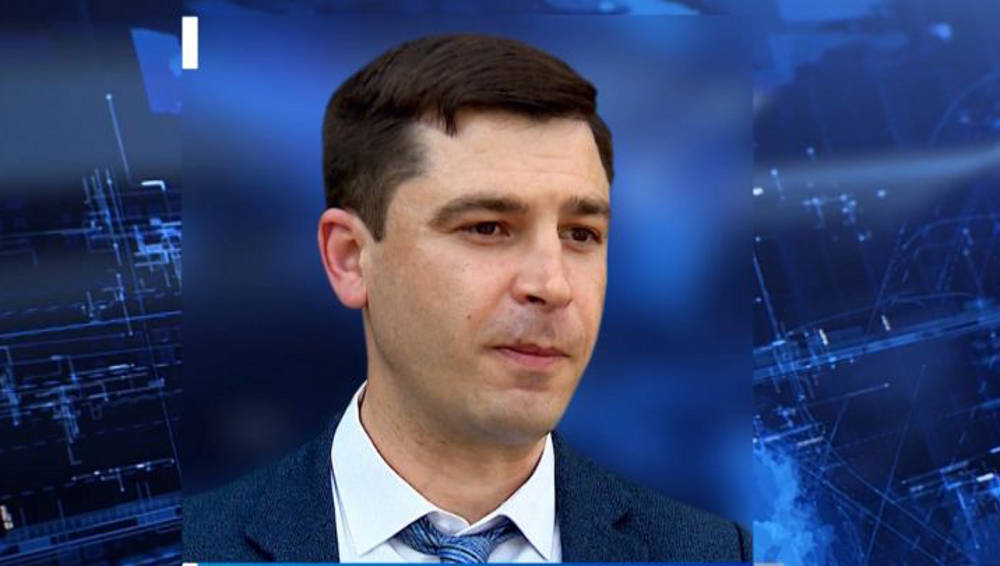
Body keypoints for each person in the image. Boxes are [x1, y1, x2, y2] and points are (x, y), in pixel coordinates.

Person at [183, 33, 751, 563]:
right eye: (487, 227)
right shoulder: (200, 548)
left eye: (580, 234)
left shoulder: (715, 554)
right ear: (351, 257)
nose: (552, 285)